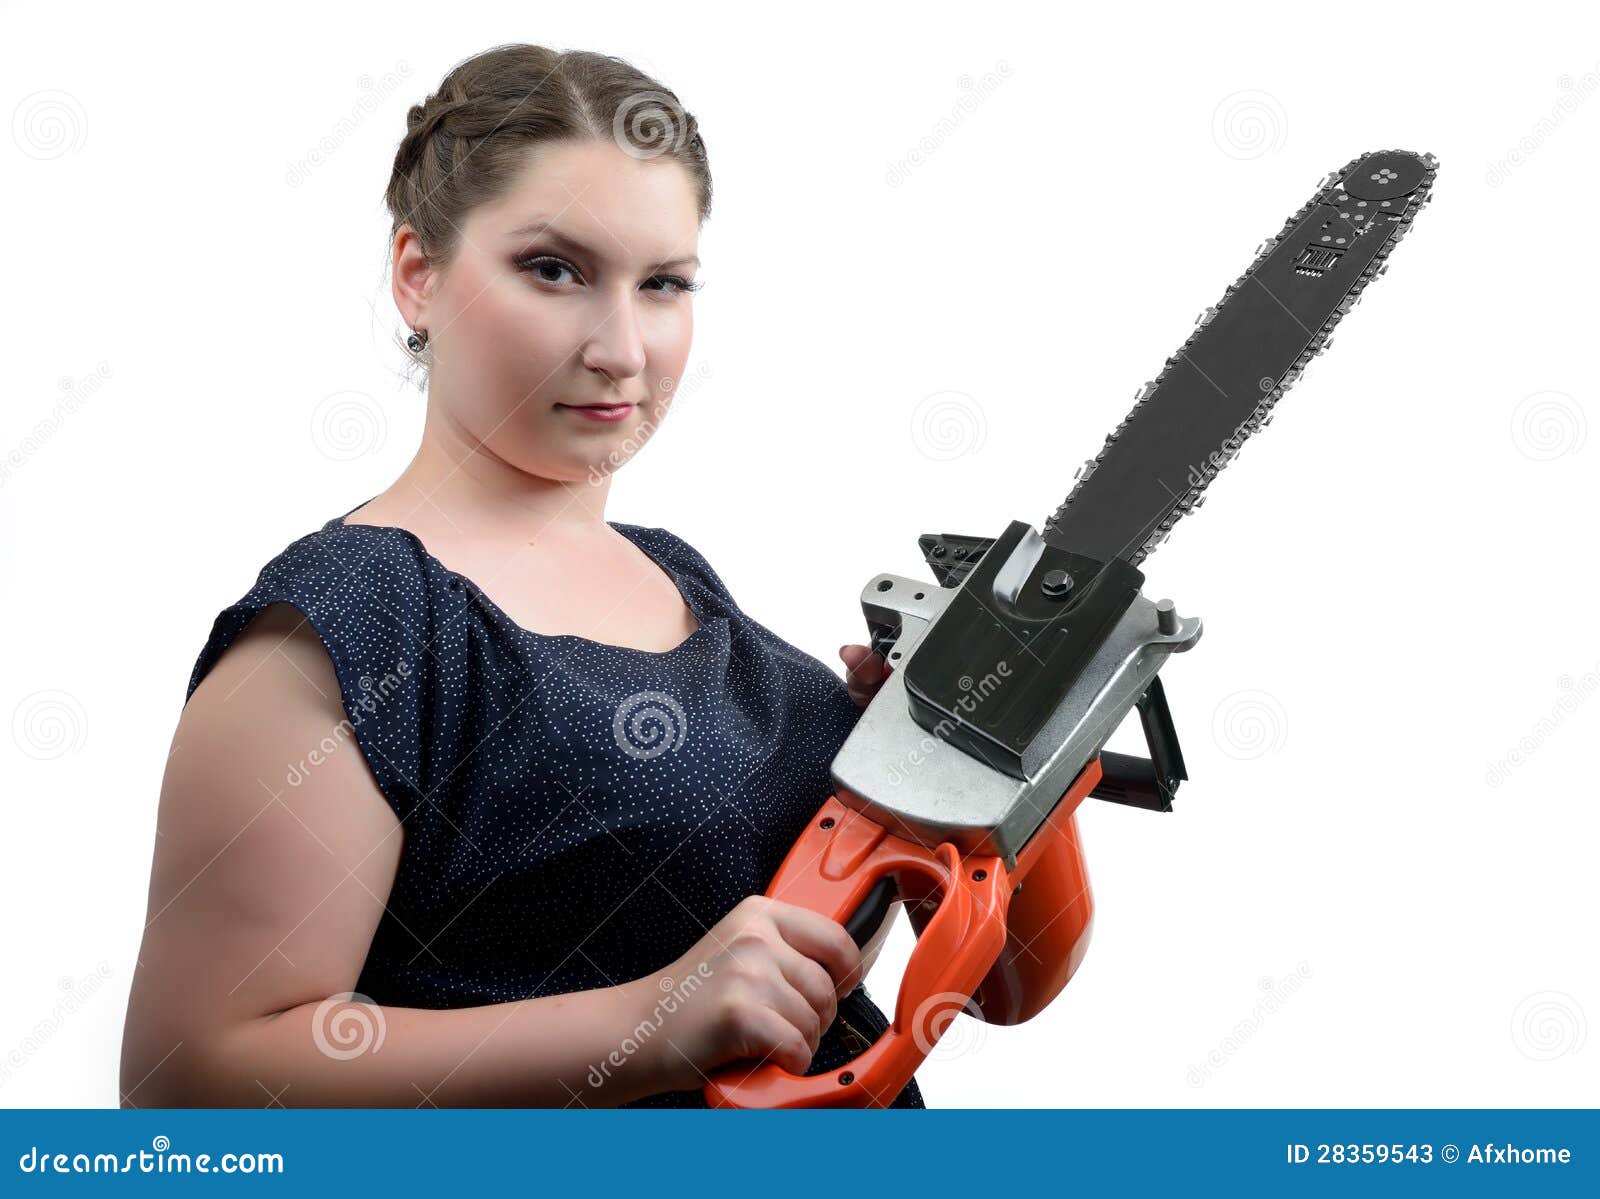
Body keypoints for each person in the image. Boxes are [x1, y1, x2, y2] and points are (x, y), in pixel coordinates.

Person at [119, 43, 923, 1109]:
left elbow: (1001, 984)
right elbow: (189, 1082)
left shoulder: (681, 577)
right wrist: (641, 1024)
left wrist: (963, 783)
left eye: (664, 284)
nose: (622, 347)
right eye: (555, 269)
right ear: (418, 274)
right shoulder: (355, 621)